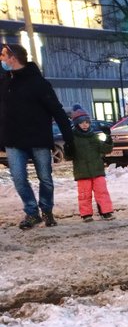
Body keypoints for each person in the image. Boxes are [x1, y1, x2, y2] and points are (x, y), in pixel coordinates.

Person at [0, 43, 74, 229]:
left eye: (3, 55)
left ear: (13, 58)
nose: (1, 59)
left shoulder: (38, 83)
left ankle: (47, 210)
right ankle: (32, 212)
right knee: (18, 178)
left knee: (45, 178)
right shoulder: (5, 82)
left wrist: (69, 138)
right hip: (14, 141)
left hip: (38, 139)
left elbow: (57, 110)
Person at [70, 105, 116, 220]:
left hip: (97, 170)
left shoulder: (93, 137)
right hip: (82, 172)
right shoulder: (73, 138)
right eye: (82, 123)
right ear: (77, 124)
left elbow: (106, 149)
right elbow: (69, 155)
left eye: (87, 122)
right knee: (84, 194)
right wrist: (67, 147)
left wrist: (108, 138)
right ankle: (86, 214)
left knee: (102, 192)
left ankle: (106, 211)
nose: (85, 125)